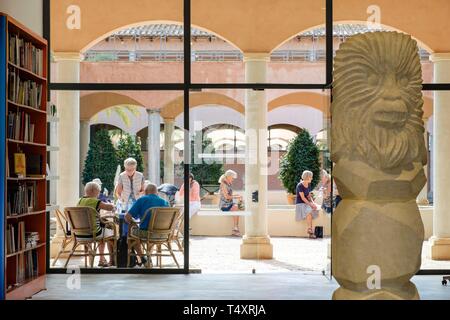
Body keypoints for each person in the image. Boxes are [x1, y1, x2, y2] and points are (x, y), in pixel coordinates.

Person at [125, 183, 169, 266]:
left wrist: (134, 222)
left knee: (131, 233)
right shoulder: (165, 202)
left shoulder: (142, 200)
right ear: (157, 193)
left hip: (147, 234)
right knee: (150, 231)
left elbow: (127, 217)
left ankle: (142, 258)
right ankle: (149, 256)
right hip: (162, 234)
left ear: (145, 192)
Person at [77, 182, 116, 267]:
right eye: (98, 191)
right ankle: (109, 260)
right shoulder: (95, 201)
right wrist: (114, 205)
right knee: (112, 232)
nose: (99, 194)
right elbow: (109, 207)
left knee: (102, 228)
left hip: (80, 233)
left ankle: (99, 259)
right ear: (93, 191)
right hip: (93, 233)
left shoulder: (80, 201)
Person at [295, 170, 320, 239]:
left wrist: (313, 203)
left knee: (315, 208)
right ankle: (310, 230)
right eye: (311, 177)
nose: (312, 178)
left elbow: (309, 196)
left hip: (306, 203)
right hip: (300, 204)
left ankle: (310, 231)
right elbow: (303, 198)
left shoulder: (308, 185)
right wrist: (311, 205)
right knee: (309, 211)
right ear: (307, 177)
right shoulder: (299, 185)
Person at [218, 170, 241, 236]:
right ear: (228, 177)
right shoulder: (223, 185)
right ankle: (236, 228)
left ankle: (235, 229)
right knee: (236, 207)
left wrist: (236, 196)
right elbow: (227, 197)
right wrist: (236, 197)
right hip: (224, 205)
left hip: (229, 204)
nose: (233, 179)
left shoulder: (229, 184)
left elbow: (230, 195)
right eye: (232, 178)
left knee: (239, 207)